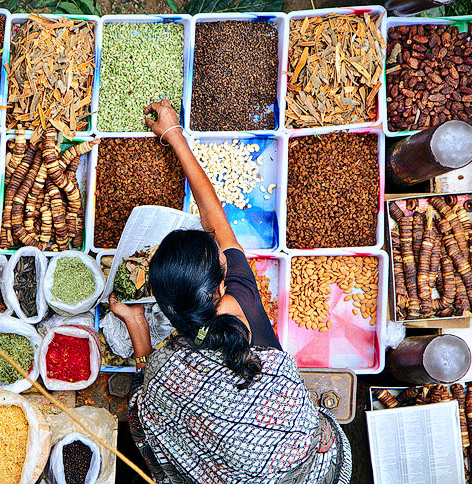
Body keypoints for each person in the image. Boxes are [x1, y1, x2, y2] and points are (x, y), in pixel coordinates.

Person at [108, 100, 351, 484]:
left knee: (142, 409)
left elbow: (145, 395)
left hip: (279, 465)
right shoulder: (243, 299)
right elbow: (215, 216)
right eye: (219, 257)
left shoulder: (164, 371)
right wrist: (175, 136)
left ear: (165, 306)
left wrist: (138, 327)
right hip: (309, 469)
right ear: (219, 284)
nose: (223, 248)